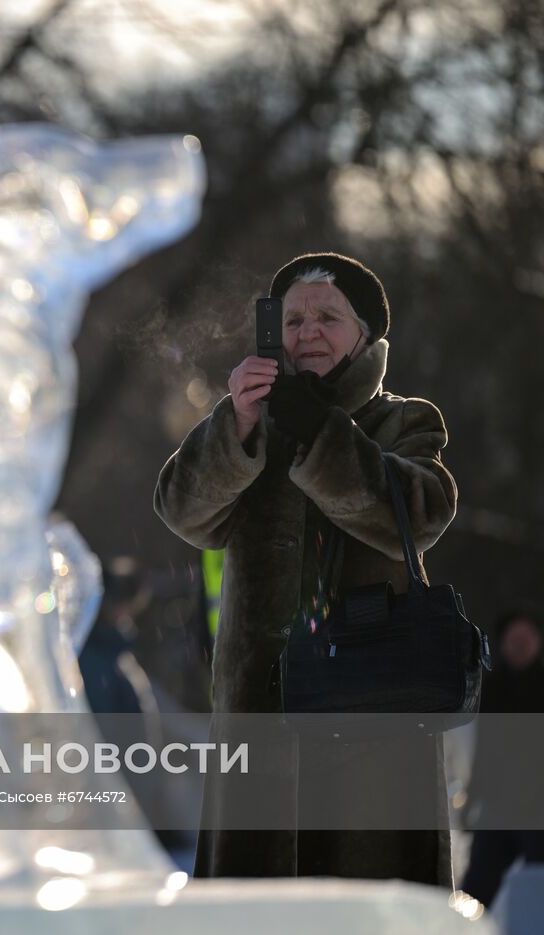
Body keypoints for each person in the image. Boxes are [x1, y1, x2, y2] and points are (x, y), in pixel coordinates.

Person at [153, 252, 458, 885]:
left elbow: (424, 511)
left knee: (363, 906)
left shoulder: (403, 419)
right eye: (292, 320)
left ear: (365, 335)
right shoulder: (248, 421)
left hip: (371, 719)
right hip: (256, 721)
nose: (306, 332)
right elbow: (183, 512)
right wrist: (235, 425)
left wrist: (319, 433)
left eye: (327, 317)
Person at [460, 610, 544, 907]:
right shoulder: (491, 690)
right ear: (504, 643)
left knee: (537, 891)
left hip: (538, 808)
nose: (520, 645)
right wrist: (472, 798)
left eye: (527, 638)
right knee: (475, 892)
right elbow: (484, 749)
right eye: (514, 639)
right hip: (498, 806)